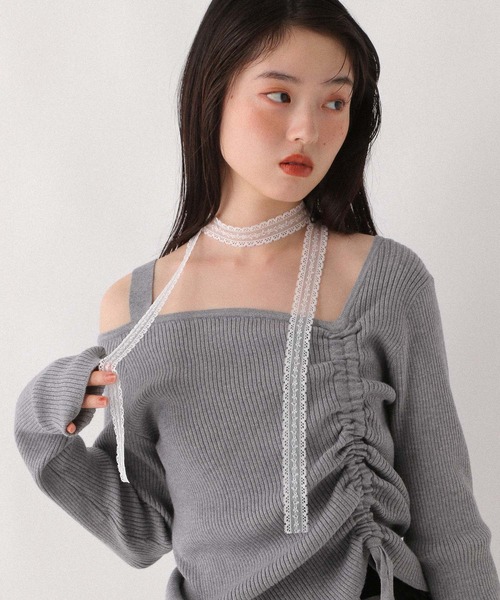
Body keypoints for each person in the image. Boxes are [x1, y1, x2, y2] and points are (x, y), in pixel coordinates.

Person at [14, 1, 500, 599]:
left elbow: (448, 521)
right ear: (212, 93)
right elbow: (144, 530)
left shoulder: (382, 279)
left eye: (335, 102)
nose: (308, 130)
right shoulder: (135, 309)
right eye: (279, 95)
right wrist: (39, 425)